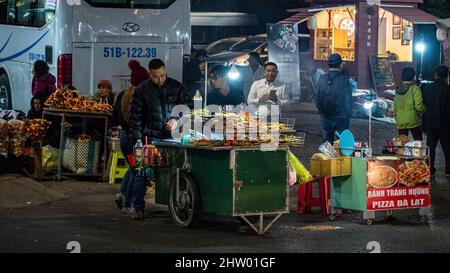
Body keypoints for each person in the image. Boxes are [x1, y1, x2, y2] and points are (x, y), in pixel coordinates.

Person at [128, 58, 190, 219]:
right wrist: (138, 141)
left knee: (174, 171)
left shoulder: (176, 87)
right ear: (150, 74)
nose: (160, 79)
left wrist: (177, 120)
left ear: (165, 71)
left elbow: (187, 107)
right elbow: (135, 118)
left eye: (162, 75)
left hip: (171, 139)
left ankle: (175, 204)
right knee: (141, 172)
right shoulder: (141, 90)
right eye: (156, 76)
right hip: (149, 139)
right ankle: (137, 206)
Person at [113, 60, 148, 212]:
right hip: (136, 140)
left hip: (124, 138)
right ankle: (128, 204)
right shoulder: (141, 97)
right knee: (137, 171)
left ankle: (121, 195)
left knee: (132, 168)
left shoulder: (122, 95)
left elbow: (114, 117)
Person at [315, 54, 352, 143]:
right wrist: (348, 114)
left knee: (327, 142)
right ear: (340, 65)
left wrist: (321, 112)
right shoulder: (344, 79)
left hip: (326, 116)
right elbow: (348, 99)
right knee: (342, 143)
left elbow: (318, 97)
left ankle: (327, 157)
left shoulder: (322, 78)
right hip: (341, 116)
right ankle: (341, 157)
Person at [421, 65, 450, 176]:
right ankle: (448, 169)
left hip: (431, 121)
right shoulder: (448, 89)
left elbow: (424, 104)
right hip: (445, 123)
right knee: (447, 148)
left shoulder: (427, 88)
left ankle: (430, 169)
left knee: (431, 147)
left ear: (436, 74)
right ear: (446, 76)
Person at [394, 67, 425, 141]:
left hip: (400, 120)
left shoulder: (398, 88)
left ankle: (402, 152)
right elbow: (419, 106)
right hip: (414, 120)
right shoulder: (415, 88)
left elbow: (394, 106)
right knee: (418, 143)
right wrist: (425, 109)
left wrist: (397, 116)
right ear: (413, 76)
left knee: (402, 144)